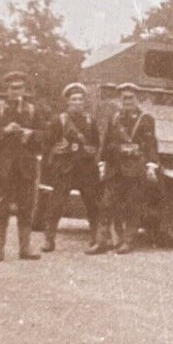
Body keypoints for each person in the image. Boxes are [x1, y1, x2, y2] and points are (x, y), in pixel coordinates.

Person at [0, 69, 47, 262]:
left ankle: (25, 249)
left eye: (19, 88)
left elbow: (46, 135)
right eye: (12, 88)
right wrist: (4, 130)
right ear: (6, 90)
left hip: (26, 168)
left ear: (25, 89)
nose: (16, 91)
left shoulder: (33, 110)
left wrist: (30, 134)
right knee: (1, 210)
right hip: (3, 169)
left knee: (26, 209)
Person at [95, 82, 160, 255]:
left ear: (137, 99)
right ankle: (101, 241)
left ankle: (127, 241)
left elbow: (151, 144)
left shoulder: (146, 119)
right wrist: (103, 163)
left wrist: (151, 166)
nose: (127, 101)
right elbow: (106, 142)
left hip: (135, 168)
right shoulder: (115, 117)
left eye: (131, 98)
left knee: (133, 205)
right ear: (119, 99)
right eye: (124, 98)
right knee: (107, 204)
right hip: (115, 168)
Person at [39, 82, 101, 252]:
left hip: (85, 169)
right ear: (68, 101)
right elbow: (46, 143)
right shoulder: (59, 120)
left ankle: (96, 238)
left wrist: (91, 150)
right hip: (64, 168)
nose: (77, 102)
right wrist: (57, 150)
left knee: (92, 204)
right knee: (56, 204)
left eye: (81, 99)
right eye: (74, 99)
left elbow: (96, 142)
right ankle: (49, 240)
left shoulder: (89, 120)